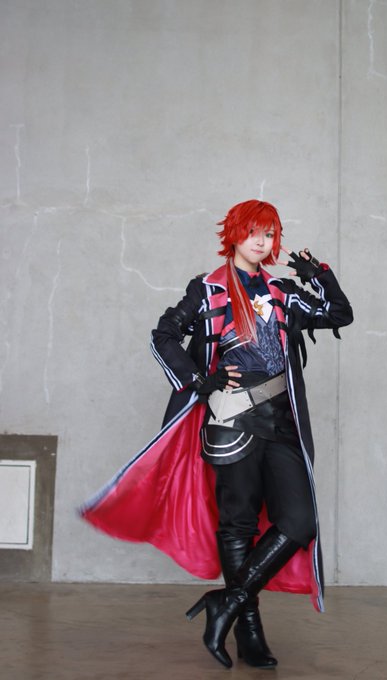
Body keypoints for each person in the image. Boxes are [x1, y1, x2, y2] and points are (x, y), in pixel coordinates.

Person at [81, 199, 353, 669]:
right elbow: (163, 334)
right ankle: (249, 632)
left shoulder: (283, 290)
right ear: (234, 235)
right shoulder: (207, 289)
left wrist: (319, 275)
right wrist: (199, 381)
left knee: (298, 521)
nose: (261, 242)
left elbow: (339, 314)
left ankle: (224, 602)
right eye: (252, 232)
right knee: (238, 524)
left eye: (269, 234)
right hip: (231, 419)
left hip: (281, 420)